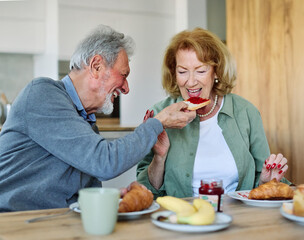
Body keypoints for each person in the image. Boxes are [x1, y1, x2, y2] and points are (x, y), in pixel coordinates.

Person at [0, 25, 196, 212]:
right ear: (96, 66)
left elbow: (83, 191)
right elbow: (105, 162)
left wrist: (109, 196)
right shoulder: (42, 93)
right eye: (123, 75)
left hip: (53, 221)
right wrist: (157, 123)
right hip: (14, 221)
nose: (126, 88)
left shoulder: (85, 122)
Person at [137, 28, 290, 198]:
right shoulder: (160, 114)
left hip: (237, 216)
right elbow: (148, 191)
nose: (191, 81)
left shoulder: (246, 112)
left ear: (216, 71)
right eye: (182, 71)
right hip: (179, 218)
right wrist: (159, 157)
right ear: (173, 73)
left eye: (201, 71)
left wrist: (265, 182)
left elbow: (263, 184)